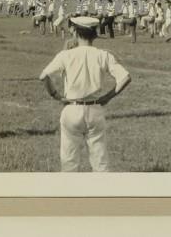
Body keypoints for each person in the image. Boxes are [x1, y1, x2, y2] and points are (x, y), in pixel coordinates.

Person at [39, 16, 132, 172]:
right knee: (100, 161)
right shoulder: (103, 55)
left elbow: (43, 76)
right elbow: (125, 77)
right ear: (94, 33)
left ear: (74, 32)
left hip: (72, 108)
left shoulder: (66, 55)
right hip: (95, 109)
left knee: (69, 162)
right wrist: (107, 98)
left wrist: (55, 95)